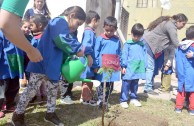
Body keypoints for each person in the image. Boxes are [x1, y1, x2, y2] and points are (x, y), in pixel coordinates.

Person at [11, 6, 86, 126]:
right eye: (78, 24)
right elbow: (61, 39)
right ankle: (17, 114)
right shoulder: (58, 21)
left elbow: (62, 45)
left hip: (53, 65)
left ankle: (50, 113)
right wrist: (78, 49)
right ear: (71, 16)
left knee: (52, 90)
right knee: (31, 90)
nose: (76, 27)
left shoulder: (63, 26)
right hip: (42, 62)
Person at [143, 13, 188, 95]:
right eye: (183, 24)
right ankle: (148, 88)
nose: (183, 26)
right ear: (178, 21)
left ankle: (150, 85)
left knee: (152, 67)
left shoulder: (169, 23)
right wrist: (188, 45)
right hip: (150, 44)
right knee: (150, 67)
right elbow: (175, 42)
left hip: (150, 44)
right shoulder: (171, 26)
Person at [93, 16, 121, 110]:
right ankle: (101, 100)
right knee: (101, 84)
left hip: (112, 67)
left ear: (115, 29)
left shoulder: (117, 40)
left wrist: (119, 64)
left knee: (110, 85)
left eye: (111, 31)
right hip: (102, 67)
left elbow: (119, 53)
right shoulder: (100, 39)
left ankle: (106, 99)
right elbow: (96, 52)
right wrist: (96, 65)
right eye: (107, 30)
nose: (109, 32)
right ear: (104, 27)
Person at [120, 23, 146, 109]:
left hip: (137, 68)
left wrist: (144, 66)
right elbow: (124, 55)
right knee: (126, 84)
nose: (136, 38)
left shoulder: (142, 45)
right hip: (129, 68)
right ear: (131, 33)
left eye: (139, 36)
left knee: (135, 84)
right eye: (135, 35)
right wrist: (123, 66)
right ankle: (123, 100)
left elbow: (144, 56)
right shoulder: (128, 44)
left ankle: (133, 98)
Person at [0, 30, 24, 118]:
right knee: (1, 90)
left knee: (14, 87)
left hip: (15, 67)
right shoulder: (1, 33)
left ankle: (10, 104)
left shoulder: (18, 32)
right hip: (3, 69)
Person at [80, 10, 100, 106]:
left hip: (88, 60)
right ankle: (86, 99)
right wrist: (88, 55)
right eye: (98, 22)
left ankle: (83, 97)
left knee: (87, 79)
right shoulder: (89, 32)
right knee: (88, 79)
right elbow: (86, 45)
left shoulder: (90, 31)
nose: (98, 24)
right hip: (88, 60)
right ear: (94, 20)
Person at [28, 14, 48, 104]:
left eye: (31, 25)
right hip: (43, 65)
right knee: (42, 82)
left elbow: (33, 49)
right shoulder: (45, 36)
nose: (30, 27)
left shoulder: (38, 38)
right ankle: (43, 96)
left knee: (35, 83)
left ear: (39, 25)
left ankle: (39, 97)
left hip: (36, 64)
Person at [174, 25, 194, 116]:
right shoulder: (192, 46)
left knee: (181, 90)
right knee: (192, 91)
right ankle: (192, 110)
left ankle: (178, 107)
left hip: (181, 72)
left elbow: (176, 59)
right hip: (191, 73)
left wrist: (177, 71)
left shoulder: (180, 46)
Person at [19, 19, 33, 88]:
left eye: (29, 28)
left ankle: (32, 92)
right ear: (20, 27)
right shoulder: (17, 37)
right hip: (20, 60)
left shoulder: (31, 38)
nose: (27, 29)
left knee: (30, 77)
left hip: (28, 61)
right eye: (25, 27)